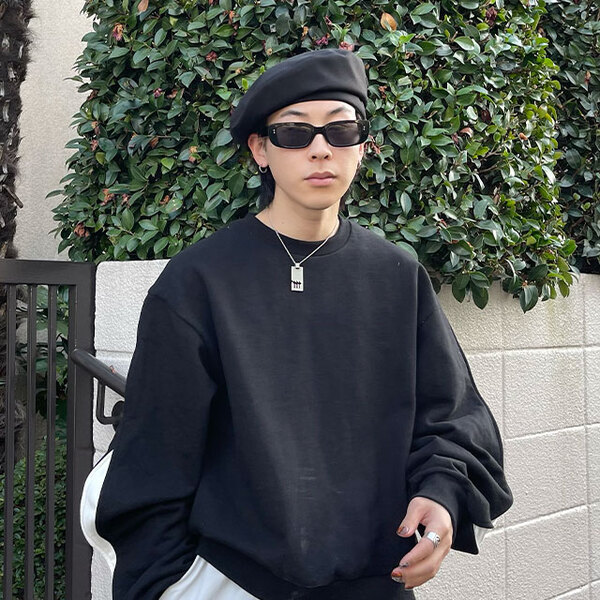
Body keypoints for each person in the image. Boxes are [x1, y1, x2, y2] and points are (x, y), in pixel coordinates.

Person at [80, 48, 513, 600]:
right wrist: (171, 583)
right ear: (260, 150)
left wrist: (442, 493)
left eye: (341, 130)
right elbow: (154, 456)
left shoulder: (397, 276)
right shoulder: (199, 282)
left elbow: (451, 416)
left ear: (363, 146)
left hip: (378, 582)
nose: (320, 149)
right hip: (232, 581)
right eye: (293, 133)